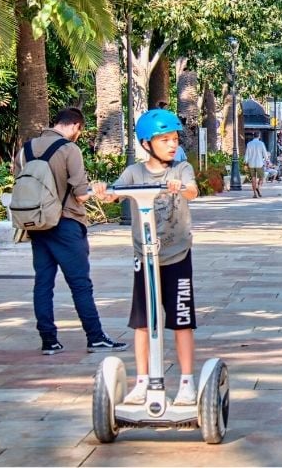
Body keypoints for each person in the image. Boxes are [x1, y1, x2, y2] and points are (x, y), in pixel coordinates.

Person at [91, 109, 200, 405]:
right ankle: (142, 381)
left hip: (177, 255)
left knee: (181, 320)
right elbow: (115, 192)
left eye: (174, 138)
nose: (172, 144)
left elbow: (192, 191)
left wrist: (182, 188)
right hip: (145, 257)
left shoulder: (180, 169)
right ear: (146, 143)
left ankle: (187, 382)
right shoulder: (135, 173)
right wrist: (104, 191)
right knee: (143, 321)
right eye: (164, 139)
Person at [15, 107, 128, 355]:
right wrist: (99, 191)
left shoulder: (26, 149)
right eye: (80, 130)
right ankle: (95, 336)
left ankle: (49, 341)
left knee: (43, 284)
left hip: (37, 224)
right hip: (66, 224)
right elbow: (79, 194)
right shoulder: (69, 149)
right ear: (76, 126)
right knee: (80, 284)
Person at [244, 131, 269, 198]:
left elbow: (247, 154)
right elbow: (265, 153)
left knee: (253, 178)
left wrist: (245, 162)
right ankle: (258, 187)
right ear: (259, 136)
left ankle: (255, 193)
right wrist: (267, 160)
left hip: (251, 163)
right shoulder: (261, 143)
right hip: (259, 163)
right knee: (262, 177)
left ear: (253, 136)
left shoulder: (249, 144)